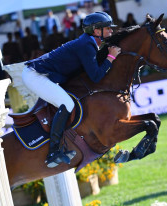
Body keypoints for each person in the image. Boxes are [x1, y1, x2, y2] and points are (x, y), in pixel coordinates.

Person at [22, 11, 121, 168]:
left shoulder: (89, 42)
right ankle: (53, 152)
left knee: (67, 102)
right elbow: (96, 76)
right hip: (35, 76)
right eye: (108, 28)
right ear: (96, 31)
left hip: (41, 74)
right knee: (67, 104)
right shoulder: (87, 45)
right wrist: (111, 57)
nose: (111, 31)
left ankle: (61, 146)